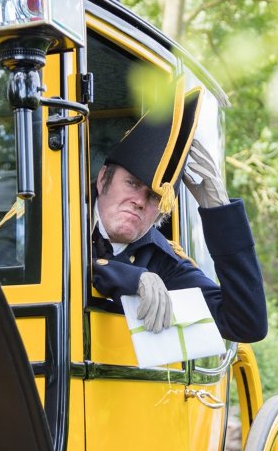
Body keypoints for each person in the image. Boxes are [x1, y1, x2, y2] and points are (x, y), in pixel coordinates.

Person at [91, 79, 267, 343]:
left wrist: (219, 211)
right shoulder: (56, 218)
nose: (139, 200)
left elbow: (246, 324)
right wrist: (132, 277)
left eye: (153, 196)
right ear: (103, 179)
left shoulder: (163, 260)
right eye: (132, 183)